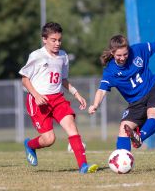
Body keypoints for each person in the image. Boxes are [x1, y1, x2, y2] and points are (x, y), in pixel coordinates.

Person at [19, 22, 98, 174]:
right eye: (53, 40)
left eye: (59, 40)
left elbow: (63, 80)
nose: (57, 43)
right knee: (49, 139)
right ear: (44, 39)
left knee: (72, 127)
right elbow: (24, 79)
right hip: (38, 101)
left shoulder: (63, 56)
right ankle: (30, 145)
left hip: (58, 99)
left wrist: (76, 94)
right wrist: (36, 95)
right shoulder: (36, 56)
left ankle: (83, 166)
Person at [88, 35, 155, 151]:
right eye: (119, 55)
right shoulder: (110, 71)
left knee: (153, 114)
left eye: (125, 54)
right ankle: (123, 159)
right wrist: (95, 105)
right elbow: (101, 90)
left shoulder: (138, 50)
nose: (123, 58)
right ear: (112, 52)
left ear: (128, 49)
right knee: (123, 128)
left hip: (154, 90)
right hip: (136, 102)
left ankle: (139, 138)